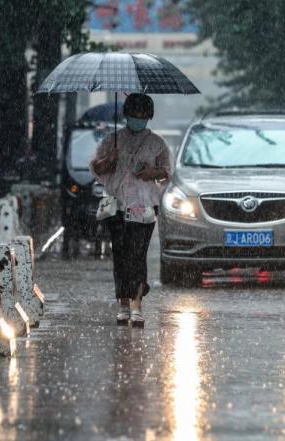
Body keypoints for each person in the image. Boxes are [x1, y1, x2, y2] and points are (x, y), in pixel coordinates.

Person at [89, 93, 172, 328]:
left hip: (144, 206)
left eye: (143, 115)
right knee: (121, 256)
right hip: (116, 206)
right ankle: (122, 304)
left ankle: (137, 305)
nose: (139, 119)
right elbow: (96, 168)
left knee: (137, 255)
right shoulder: (111, 140)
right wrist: (109, 160)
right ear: (126, 115)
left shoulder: (156, 143)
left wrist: (151, 172)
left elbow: (166, 171)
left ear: (149, 116)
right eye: (135, 115)